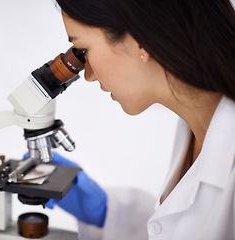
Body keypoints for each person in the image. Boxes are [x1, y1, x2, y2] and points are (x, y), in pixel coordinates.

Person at [46, 0, 235, 239]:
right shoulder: (193, 126)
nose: (88, 75)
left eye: (83, 51)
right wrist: (109, 214)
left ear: (140, 39)